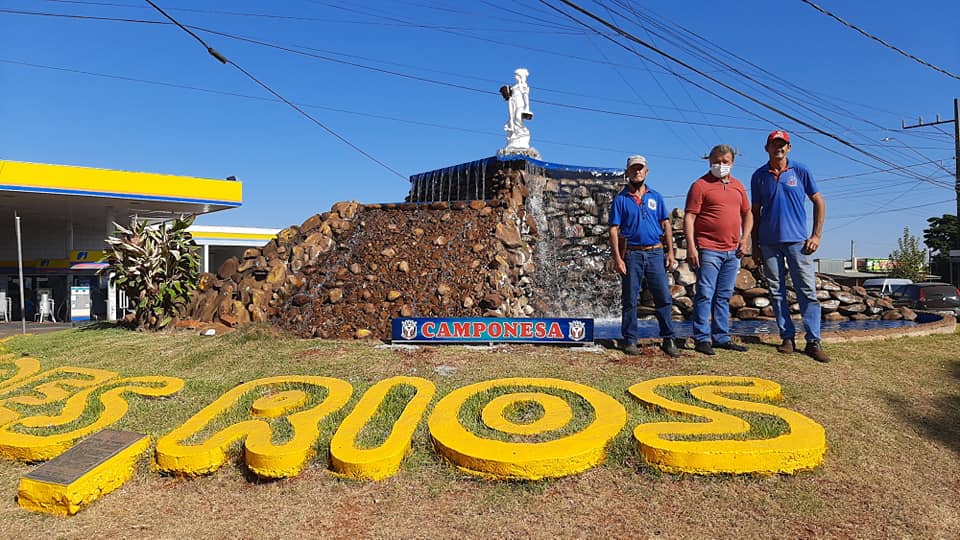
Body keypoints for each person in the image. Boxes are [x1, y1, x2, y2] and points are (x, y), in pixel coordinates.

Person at [750, 130, 830, 363]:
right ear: (766, 148)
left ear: (789, 148)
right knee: (776, 292)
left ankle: (813, 341)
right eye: (774, 144)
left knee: (807, 291)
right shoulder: (758, 176)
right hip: (769, 243)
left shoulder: (801, 171)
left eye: (782, 144)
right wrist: (754, 245)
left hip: (798, 242)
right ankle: (787, 337)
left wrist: (816, 235)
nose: (779, 148)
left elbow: (819, 201)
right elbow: (755, 212)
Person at [684, 144, 752, 355]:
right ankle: (702, 338)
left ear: (732, 162)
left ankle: (721, 337)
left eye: (725, 162)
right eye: (716, 161)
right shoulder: (700, 185)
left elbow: (747, 213)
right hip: (708, 248)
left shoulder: (738, 186)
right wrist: (692, 247)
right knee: (705, 294)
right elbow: (689, 217)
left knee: (724, 295)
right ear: (709, 160)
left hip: (733, 251)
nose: (720, 165)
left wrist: (745, 238)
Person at [609, 155, 680, 357]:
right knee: (630, 299)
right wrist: (617, 258)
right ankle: (630, 340)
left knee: (663, 297)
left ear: (646, 172)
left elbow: (666, 224)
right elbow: (614, 230)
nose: (637, 172)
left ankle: (669, 339)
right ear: (628, 172)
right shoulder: (621, 200)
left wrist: (670, 252)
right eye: (633, 169)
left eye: (640, 169)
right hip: (632, 254)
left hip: (656, 252)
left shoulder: (655, 197)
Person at [503, 68, 532, 149]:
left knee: (518, 119)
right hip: (513, 104)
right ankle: (514, 135)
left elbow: (526, 97)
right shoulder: (513, 87)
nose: (515, 77)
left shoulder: (523, 85)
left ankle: (523, 133)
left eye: (516, 75)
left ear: (520, 76)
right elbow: (509, 96)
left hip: (520, 104)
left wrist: (527, 108)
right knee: (511, 120)